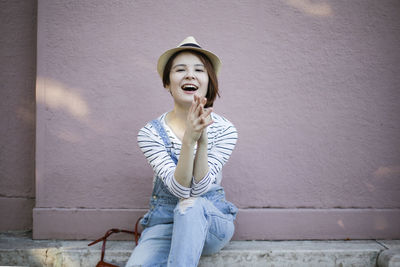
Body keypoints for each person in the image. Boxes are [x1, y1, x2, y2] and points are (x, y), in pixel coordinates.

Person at [126, 36, 238, 267]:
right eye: (180, 70)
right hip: (165, 225)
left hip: (210, 222)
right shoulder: (150, 133)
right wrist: (189, 140)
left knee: (191, 205)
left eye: (199, 69)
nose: (189, 75)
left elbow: (197, 191)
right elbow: (179, 189)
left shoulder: (226, 130)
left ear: (209, 81)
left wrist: (203, 142)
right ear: (167, 82)